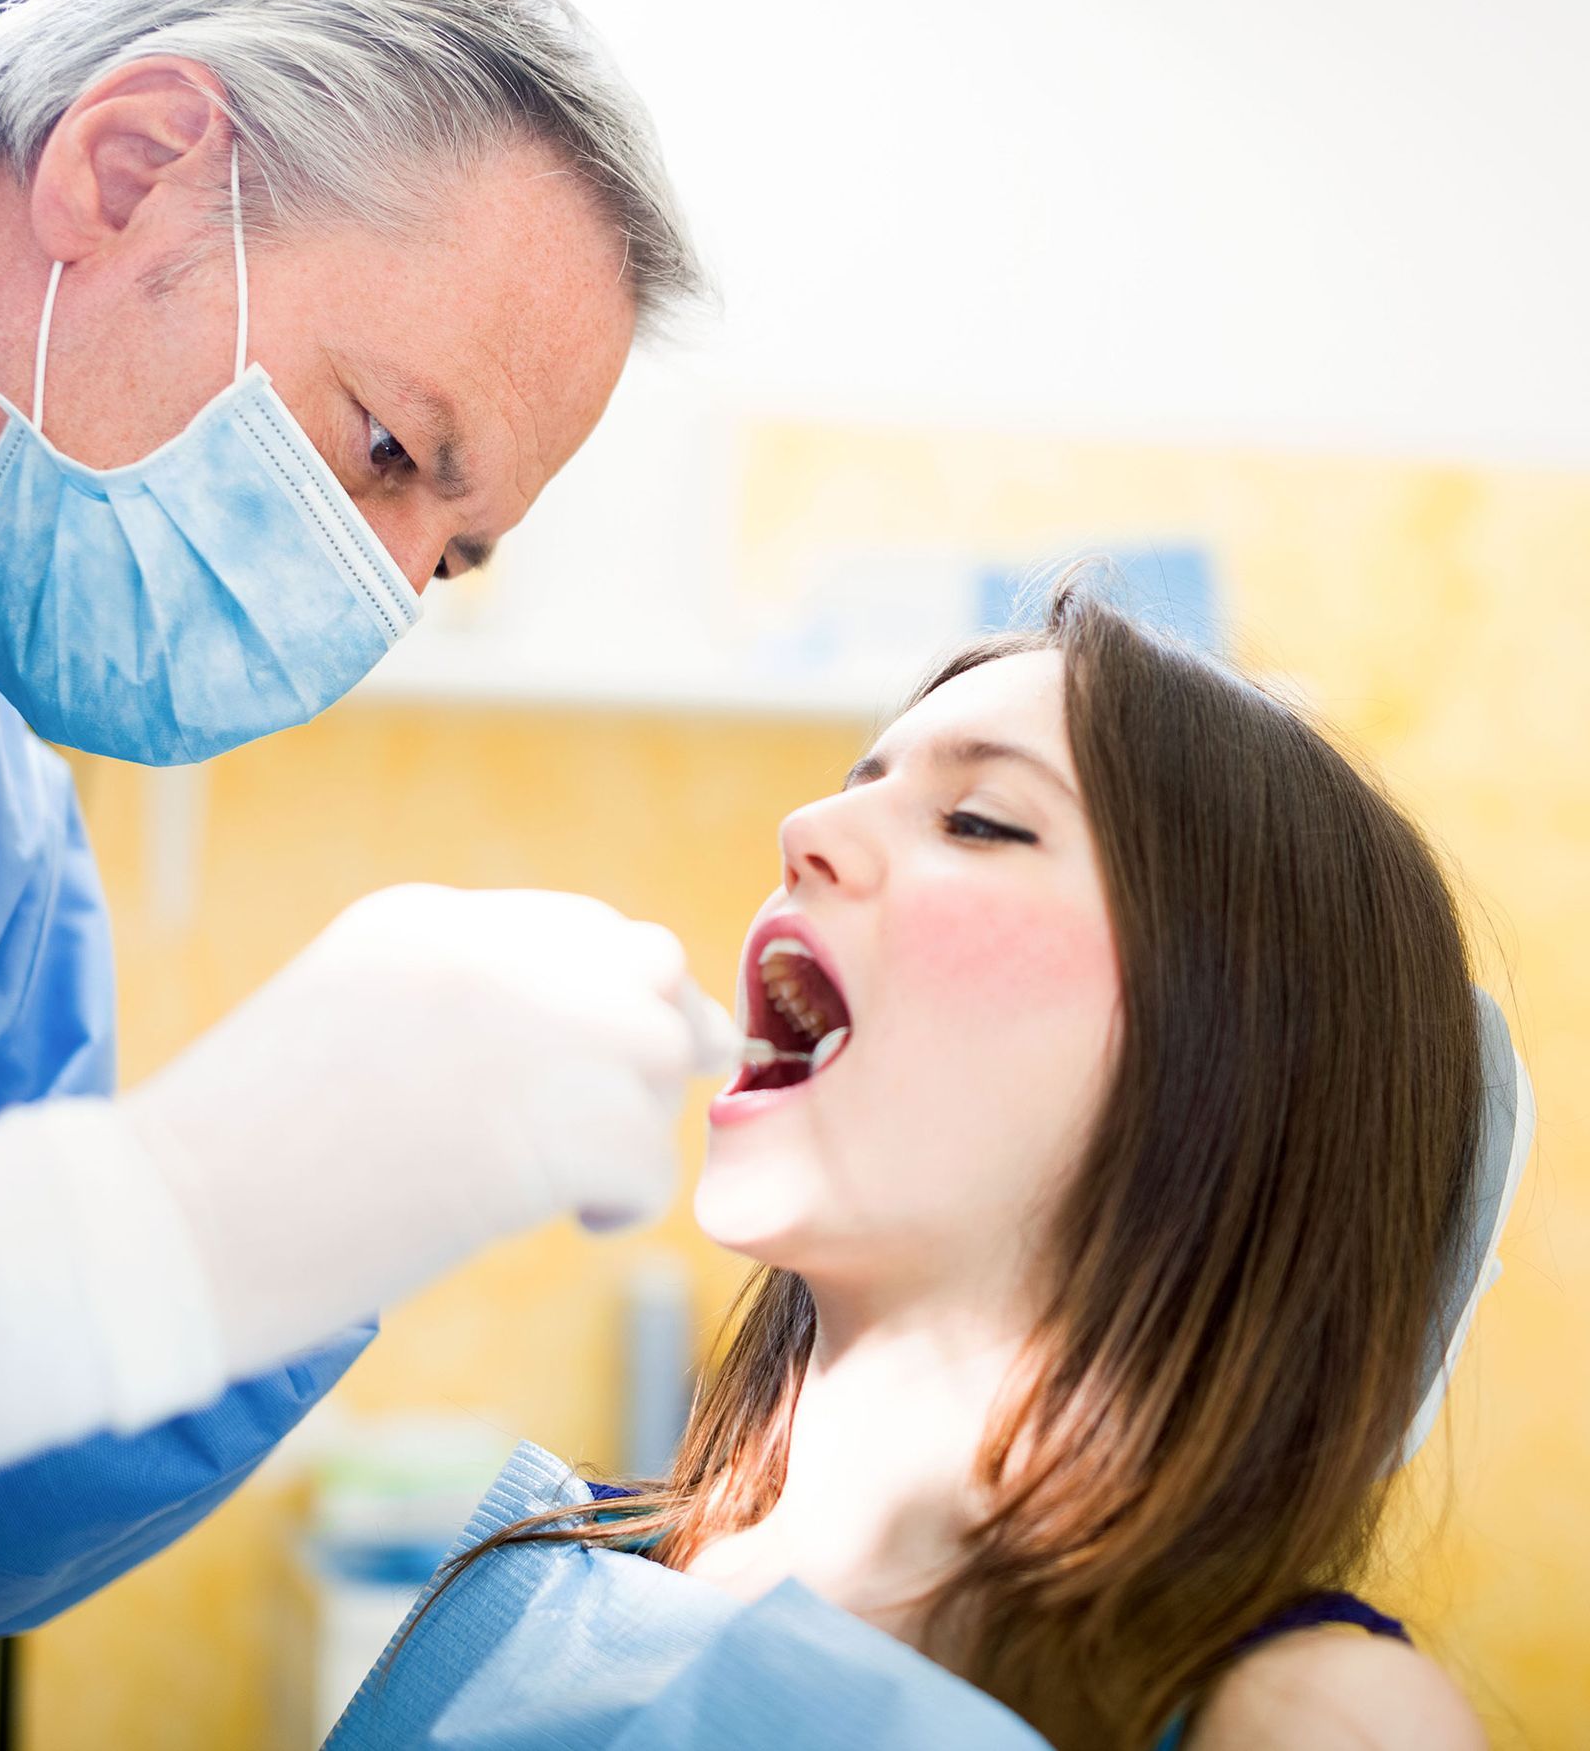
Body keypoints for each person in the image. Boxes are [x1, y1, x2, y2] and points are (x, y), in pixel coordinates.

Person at [0, 0, 726, 1686]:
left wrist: (316, 1220)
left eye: (450, 557)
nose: (386, 597)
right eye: (387, 448)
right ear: (135, 164)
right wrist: (155, 1215)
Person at [329, 584, 1529, 1751]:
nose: (805, 830)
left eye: (980, 820)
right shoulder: (552, 1575)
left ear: (1231, 1054)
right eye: (863, 786)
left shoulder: (1311, 1719)